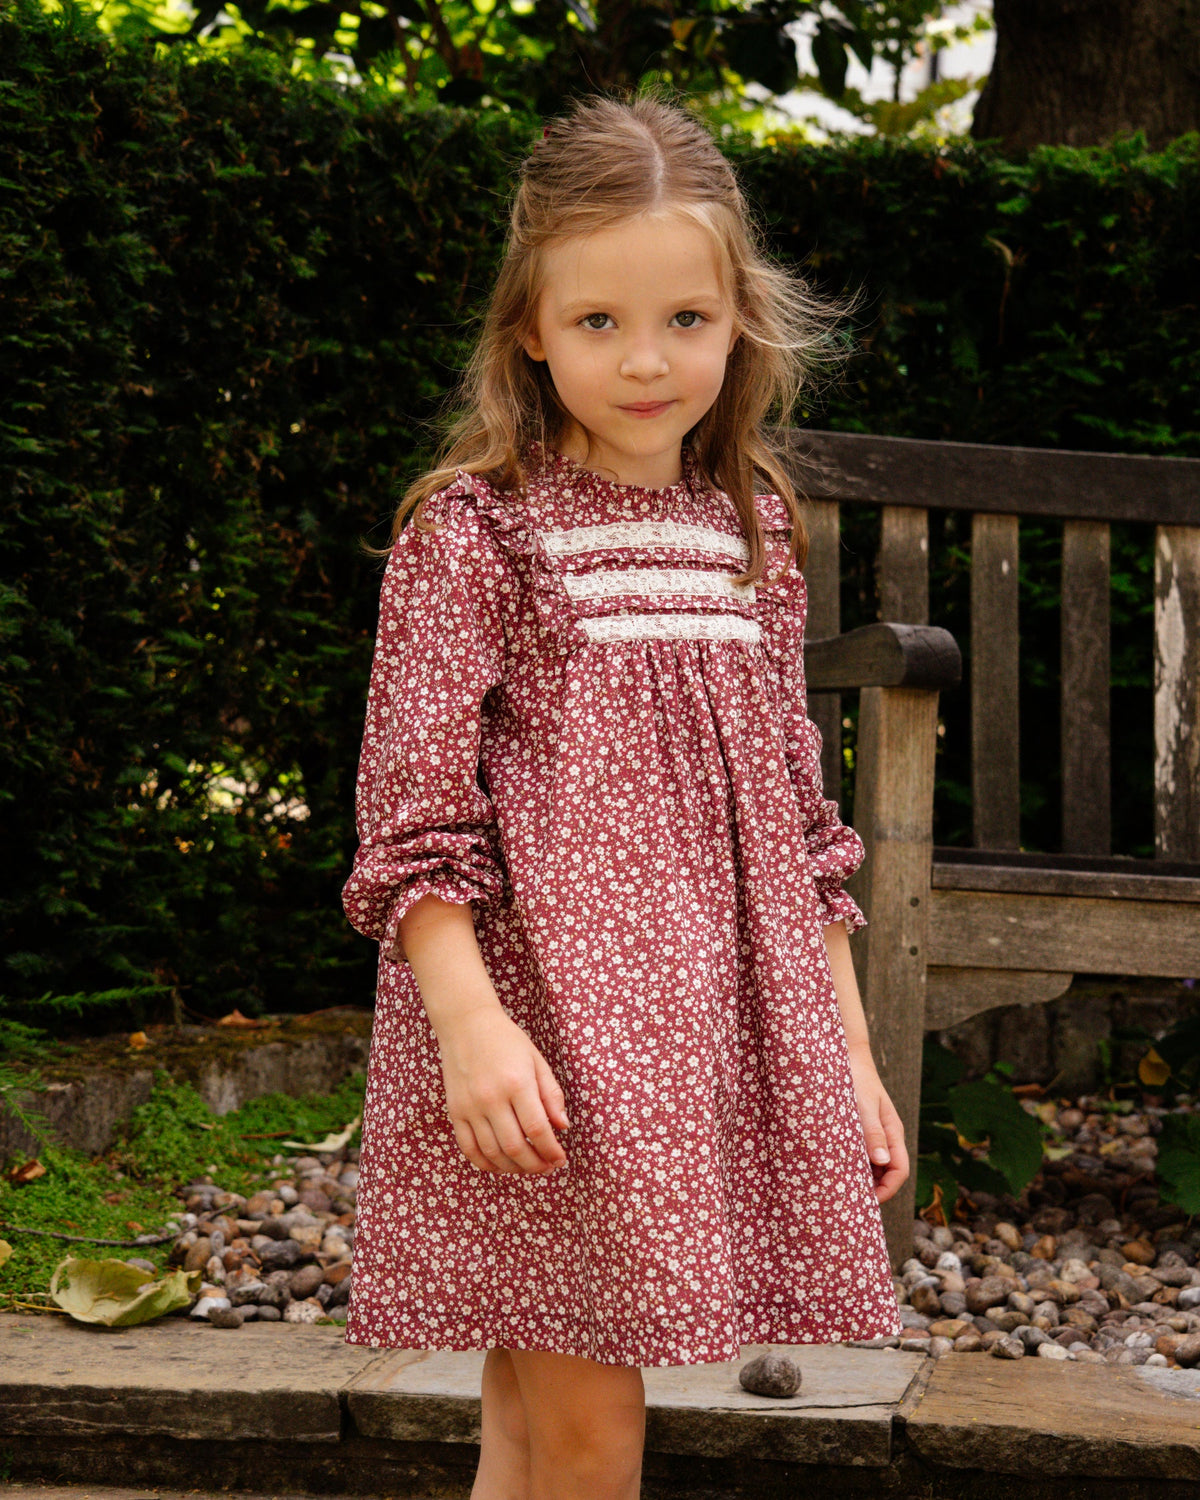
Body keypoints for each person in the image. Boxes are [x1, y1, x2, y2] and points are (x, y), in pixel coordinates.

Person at [341, 92, 909, 1500]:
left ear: (741, 324)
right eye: (597, 322)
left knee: (534, 1434)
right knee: (591, 1438)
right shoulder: (480, 533)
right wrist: (472, 1035)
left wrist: (847, 1059)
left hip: (690, 1044)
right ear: (527, 326)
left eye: (686, 322)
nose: (646, 362)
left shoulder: (747, 529)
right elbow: (412, 815)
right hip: (537, 1052)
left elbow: (795, 828)